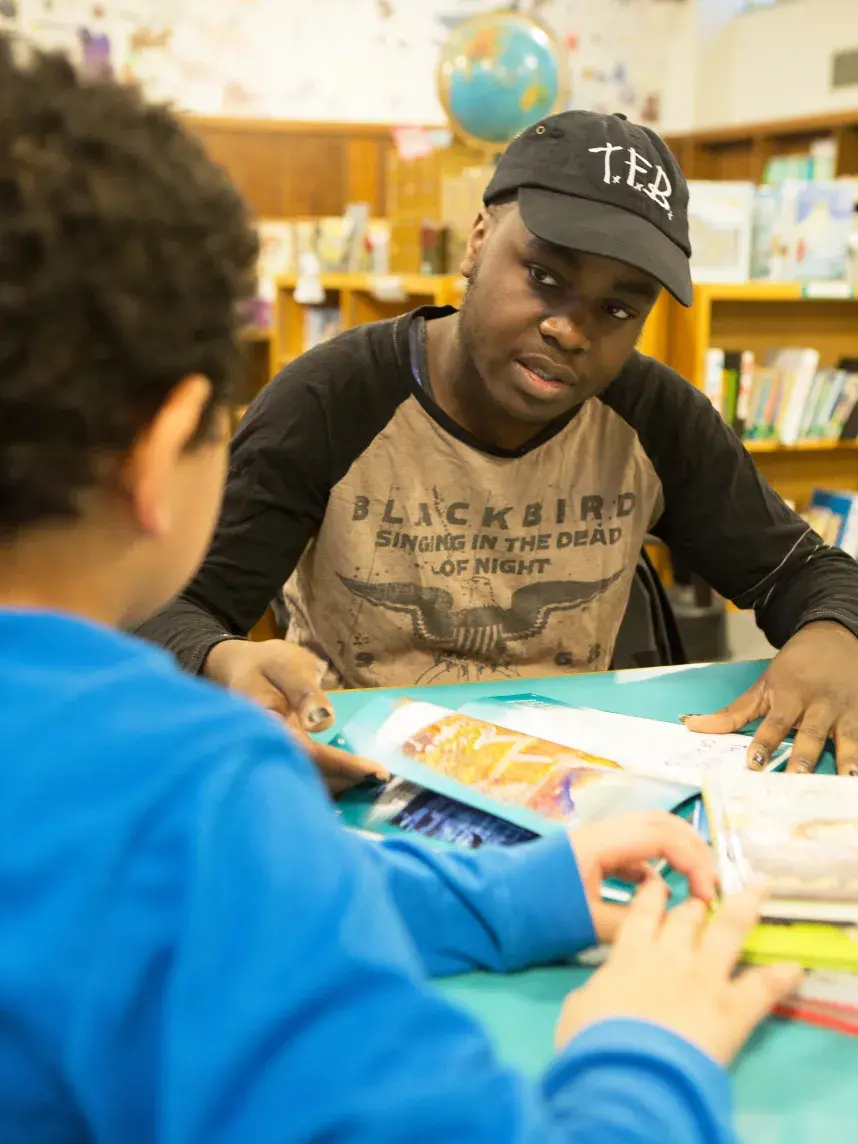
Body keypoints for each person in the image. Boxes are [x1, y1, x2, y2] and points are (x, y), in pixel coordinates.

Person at [0, 36, 803, 1143]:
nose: (571, 324)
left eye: (618, 306)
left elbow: (224, 909)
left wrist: (513, 895)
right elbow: (214, 889)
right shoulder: (189, 796)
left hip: (506, 842)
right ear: (159, 455)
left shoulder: (150, 807)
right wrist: (647, 1050)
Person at [140, 109, 858, 787]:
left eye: (617, 308)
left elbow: (808, 571)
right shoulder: (328, 401)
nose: (571, 331)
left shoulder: (655, 416)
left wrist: (834, 631)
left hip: (577, 787)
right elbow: (170, 608)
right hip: (359, 775)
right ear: (479, 239)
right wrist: (221, 659)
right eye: (545, 277)